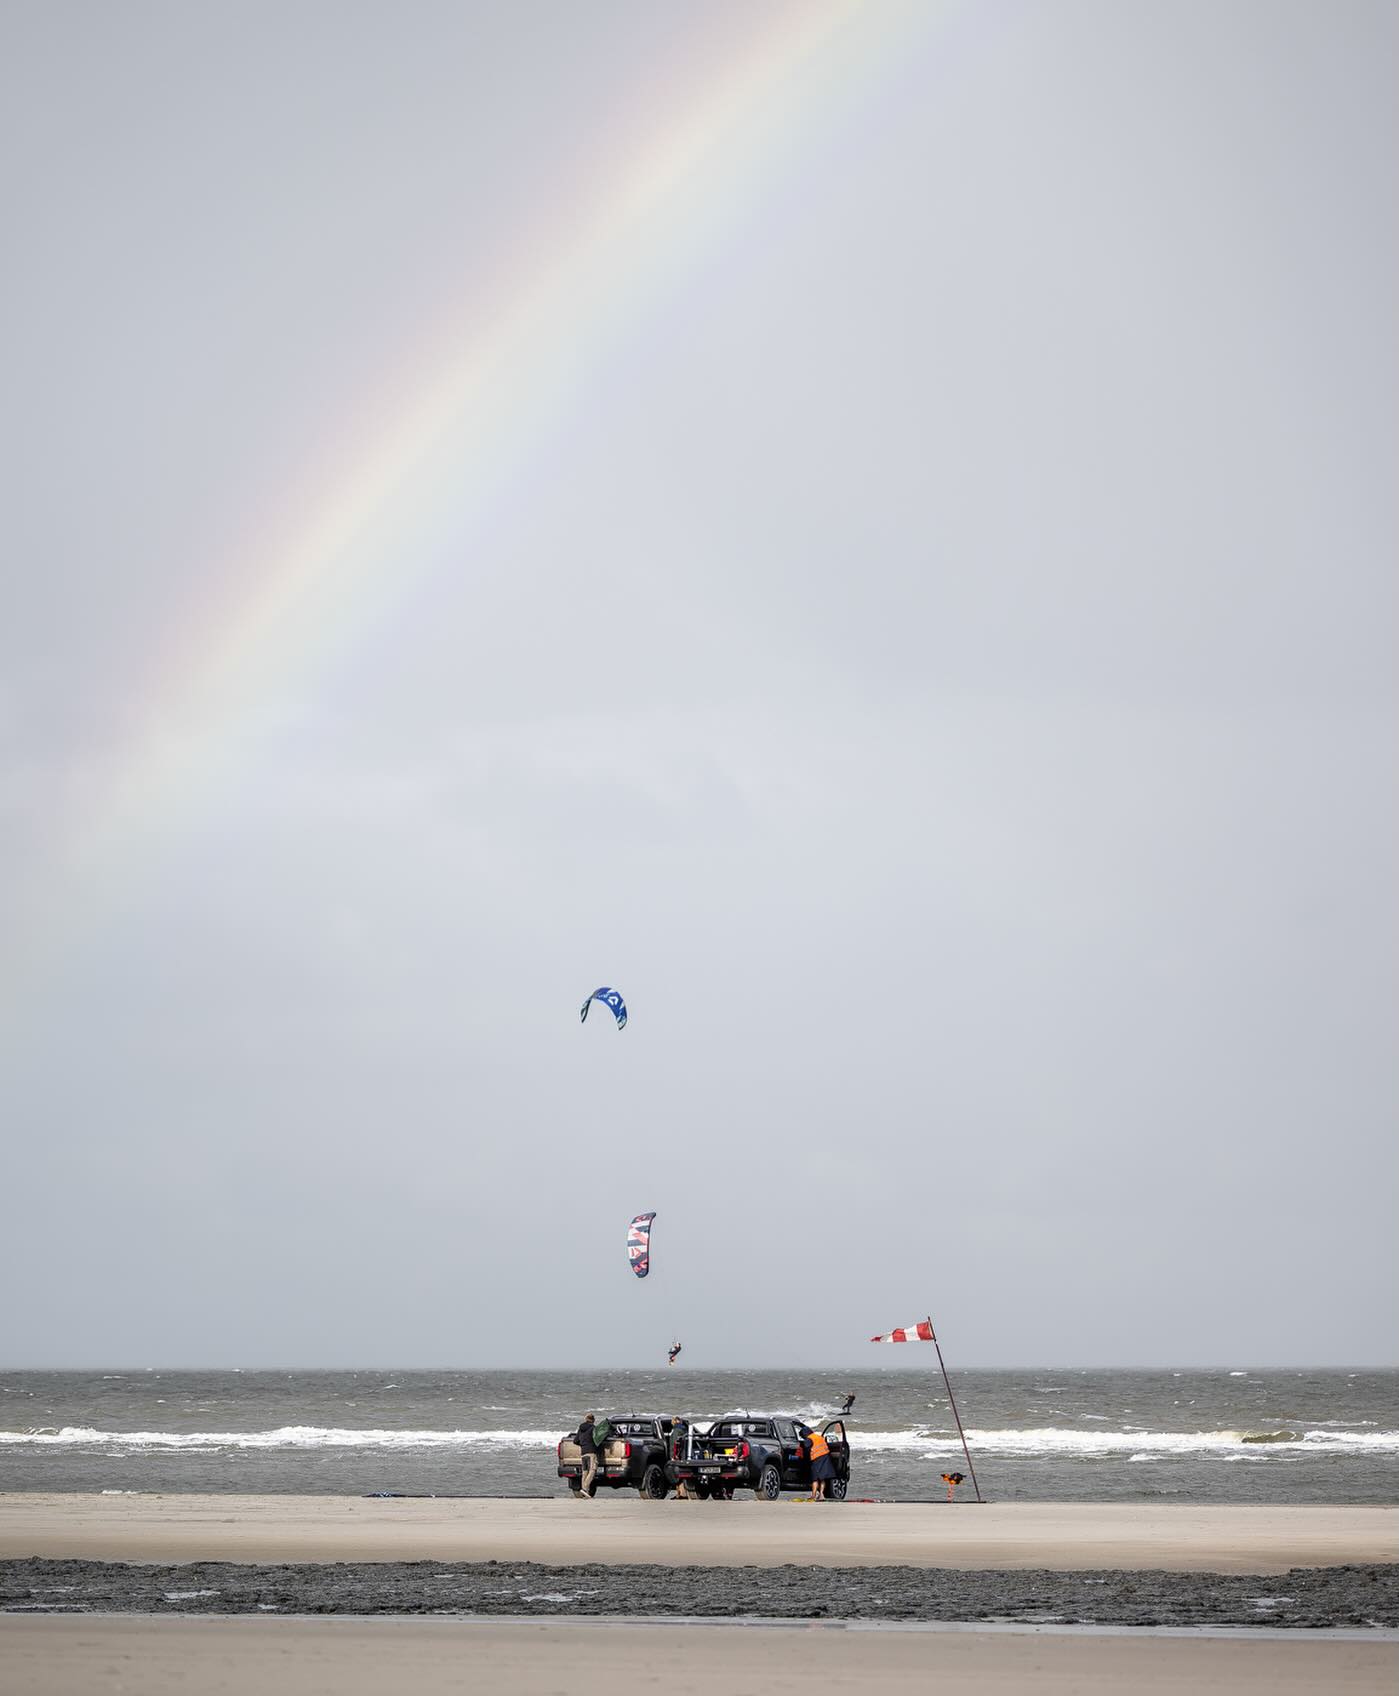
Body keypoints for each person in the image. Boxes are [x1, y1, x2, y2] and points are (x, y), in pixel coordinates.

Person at [806, 1423, 834, 1501]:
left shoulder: (809, 1438)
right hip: (825, 1458)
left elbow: (806, 1448)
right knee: (822, 1478)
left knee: (814, 1478)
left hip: (816, 1459)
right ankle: (821, 1494)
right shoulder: (819, 1437)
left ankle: (813, 1495)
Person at [575, 1413, 599, 1499]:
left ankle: (584, 1492)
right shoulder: (593, 1428)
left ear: (586, 1419)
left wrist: (583, 1444)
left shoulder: (580, 1429)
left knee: (585, 1471)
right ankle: (585, 1489)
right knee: (592, 1470)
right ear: (593, 1420)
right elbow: (597, 1439)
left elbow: (575, 1441)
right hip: (591, 1452)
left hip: (583, 1452)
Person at [670, 1415, 691, 1499]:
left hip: (677, 1455)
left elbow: (674, 1444)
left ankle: (681, 1494)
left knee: (677, 1474)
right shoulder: (685, 1429)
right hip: (684, 1454)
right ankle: (680, 1493)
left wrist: (673, 1455)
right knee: (680, 1474)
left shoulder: (676, 1430)